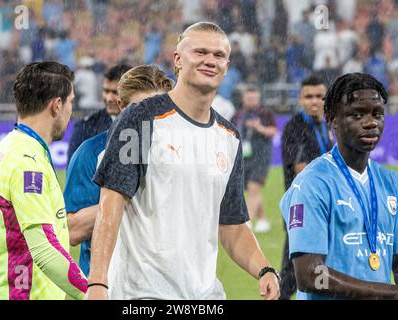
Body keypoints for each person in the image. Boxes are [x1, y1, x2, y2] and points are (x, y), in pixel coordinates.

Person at [86, 21, 280, 300]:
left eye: (218, 55)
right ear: (177, 60)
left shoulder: (229, 137)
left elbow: (232, 225)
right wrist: (98, 283)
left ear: (227, 66)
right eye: (200, 52)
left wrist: (265, 270)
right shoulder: (141, 118)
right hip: (144, 294)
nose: (210, 61)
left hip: (206, 296)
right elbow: (111, 202)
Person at [280, 73, 398, 300]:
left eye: (377, 114)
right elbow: (310, 276)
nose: (370, 122)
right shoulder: (311, 184)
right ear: (333, 119)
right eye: (357, 114)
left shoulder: (391, 183)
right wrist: (387, 294)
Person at [0, 61, 87, 300]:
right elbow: (45, 249)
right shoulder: (27, 163)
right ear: (56, 106)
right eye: (71, 102)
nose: (71, 111)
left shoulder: (8, 148)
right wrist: (93, 294)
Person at [64, 65, 173, 277]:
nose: (149, 118)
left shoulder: (181, 155)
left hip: (165, 283)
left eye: (158, 109)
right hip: (108, 282)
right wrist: (126, 199)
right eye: (140, 108)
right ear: (122, 107)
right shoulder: (91, 152)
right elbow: (73, 230)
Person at [279, 75, 334, 300]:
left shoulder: (327, 125)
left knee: (323, 267)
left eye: (319, 96)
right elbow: (302, 169)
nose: (314, 101)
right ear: (300, 99)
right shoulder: (295, 127)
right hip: (301, 209)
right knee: (293, 271)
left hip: (324, 207)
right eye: (309, 96)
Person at [231, 85, 277, 233]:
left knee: (253, 187)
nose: (251, 101)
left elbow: (273, 131)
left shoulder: (265, 113)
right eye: (249, 98)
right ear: (244, 98)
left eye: (254, 98)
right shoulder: (238, 114)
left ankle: (247, 223)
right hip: (244, 156)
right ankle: (263, 219)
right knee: (251, 189)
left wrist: (259, 128)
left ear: (258, 98)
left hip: (261, 155)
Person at [66, 64, 132, 165]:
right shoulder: (86, 127)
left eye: (115, 92)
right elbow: (74, 174)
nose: (109, 98)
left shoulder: (147, 124)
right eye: (106, 91)